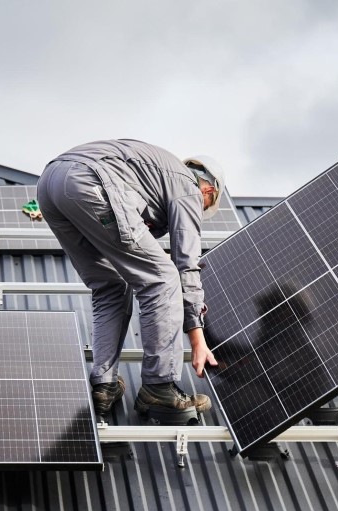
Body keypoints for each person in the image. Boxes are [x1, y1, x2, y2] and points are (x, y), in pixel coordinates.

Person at [36, 139, 221, 421]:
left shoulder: (155, 173)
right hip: (90, 180)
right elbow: (186, 264)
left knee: (110, 285)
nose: (199, 211)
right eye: (204, 206)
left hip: (50, 184)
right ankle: (159, 386)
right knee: (162, 278)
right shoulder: (188, 187)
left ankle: (104, 383)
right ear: (208, 189)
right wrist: (197, 336)